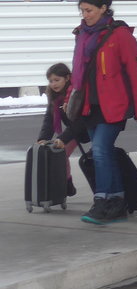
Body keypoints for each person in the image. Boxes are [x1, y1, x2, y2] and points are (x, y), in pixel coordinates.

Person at [70, 0, 137, 225]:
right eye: (82, 11)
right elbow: (79, 73)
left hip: (114, 105)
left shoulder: (120, 35)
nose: (85, 15)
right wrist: (70, 100)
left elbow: (135, 73)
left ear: (104, 8)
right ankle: (115, 202)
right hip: (90, 105)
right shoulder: (82, 34)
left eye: (89, 10)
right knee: (101, 153)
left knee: (101, 150)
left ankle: (103, 201)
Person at [35, 61, 86, 197]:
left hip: (87, 126)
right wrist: (43, 138)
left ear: (67, 78)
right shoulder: (54, 96)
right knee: (61, 153)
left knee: (98, 155)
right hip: (74, 129)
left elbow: (80, 121)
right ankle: (67, 183)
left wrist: (63, 138)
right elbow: (49, 118)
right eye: (51, 81)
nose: (53, 84)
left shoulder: (76, 92)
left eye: (57, 80)